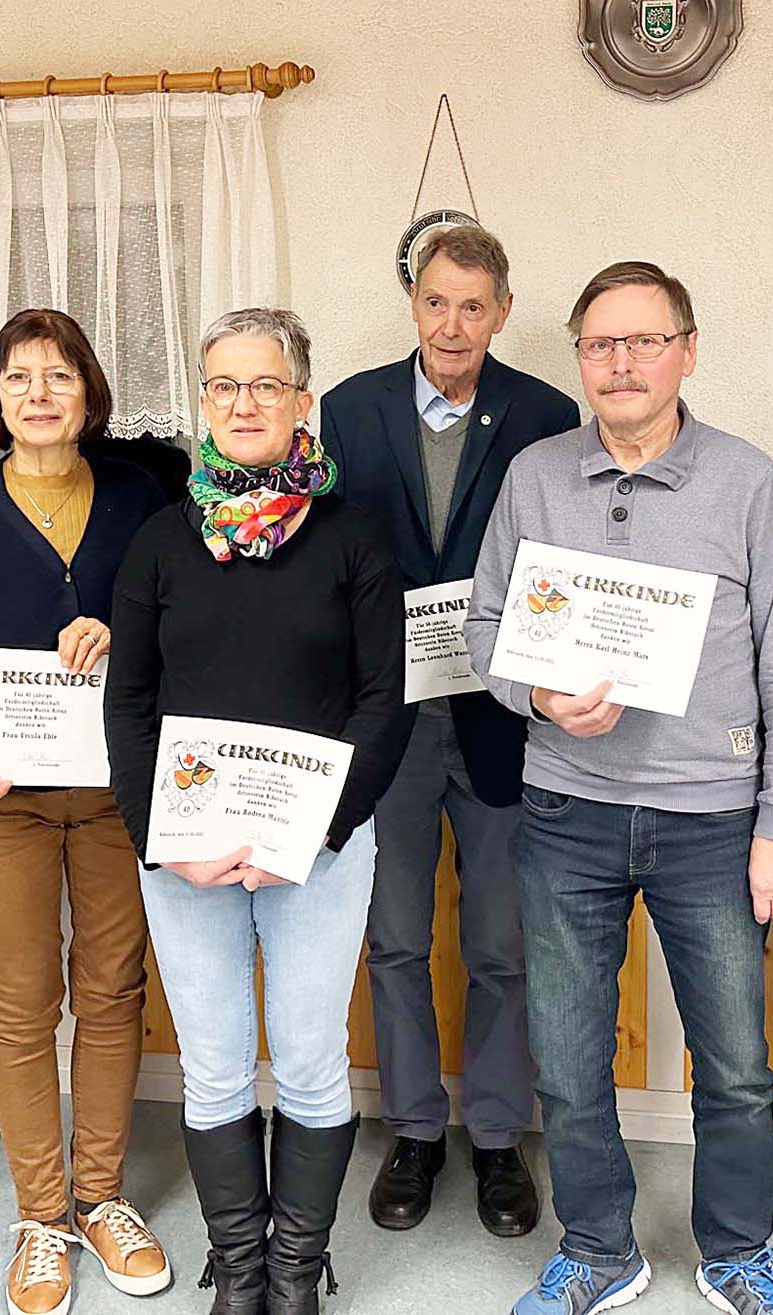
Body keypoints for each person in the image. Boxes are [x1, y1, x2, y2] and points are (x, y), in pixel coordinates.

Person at [466, 262, 773, 1315]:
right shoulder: (535, 474)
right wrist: (537, 694)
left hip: (712, 818)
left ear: (687, 350)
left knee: (735, 1064)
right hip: (564, 811)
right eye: (598, 344)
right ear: (578, 357)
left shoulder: (745, 478)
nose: (619, 363)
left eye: (643, 341)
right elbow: (485, 628)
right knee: (568, 1056)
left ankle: (736, 1253)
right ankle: (596, 1249)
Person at [106, 307, 407, 1315]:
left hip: (318, 846)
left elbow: (384, 702)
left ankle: (294, 1269)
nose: (244, 404)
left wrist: (311, 834)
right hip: (185, 851)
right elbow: (129, 704)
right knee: (215, 1065)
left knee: (314, 1062)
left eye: (265, 385)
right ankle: (239, 1267)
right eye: (224, 386)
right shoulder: (159, 540)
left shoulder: (354, 539)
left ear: (300, 401)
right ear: (203, 402)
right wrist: (161, 841)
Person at [0, 308, 169, 1315]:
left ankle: (101, 1196)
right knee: (18, 1006)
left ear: (89, 392)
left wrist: (123, 634)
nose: (39, 393)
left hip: (116, 795)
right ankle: (43, 1215)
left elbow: (184, 623)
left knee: (113, 992)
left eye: (59, 375)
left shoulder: (143, 497)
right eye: (18, 377)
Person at [321, 223, 577, 1237]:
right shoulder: (349, 410)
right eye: (436, 302)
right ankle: (416, 1129)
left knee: (501, 943)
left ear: (502, 312)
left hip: (504, 715)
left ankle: (500, 1136)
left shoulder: (547, 414)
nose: (453, 324)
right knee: (393, 938)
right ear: (414, 305)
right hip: (386, 717)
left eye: (474, 306)